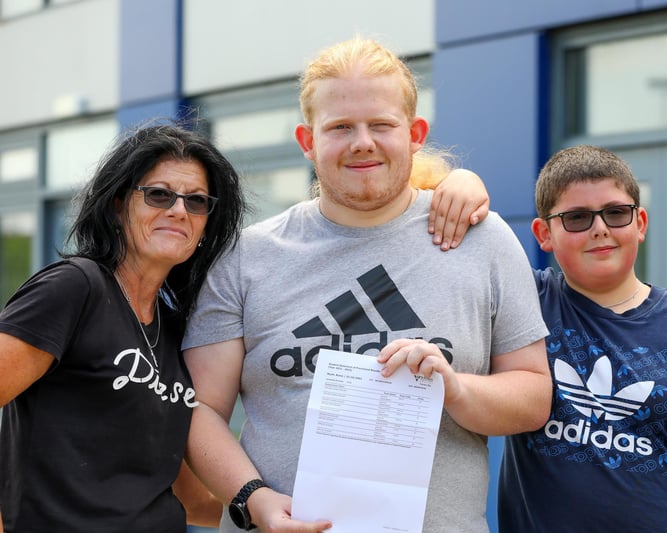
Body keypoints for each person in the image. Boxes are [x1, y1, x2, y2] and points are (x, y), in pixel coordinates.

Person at [181, 36, 552, 533]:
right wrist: (253, 499)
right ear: (307, 140)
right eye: (340, 127)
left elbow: (533, 397)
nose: (362, 142)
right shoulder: (245, 257)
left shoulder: (481, 240)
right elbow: (201, 409)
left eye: (381, 124)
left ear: (415, 132)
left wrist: (455, 388)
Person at [493, 145, 667, 532]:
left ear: (640, 223)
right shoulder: (526, 303)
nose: (600, 228)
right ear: (544, 233)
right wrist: (463, 183)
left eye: (616, 213)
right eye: (576, 217)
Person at [0, 122, 248, 531]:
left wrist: (268, 509)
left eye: (197, 201)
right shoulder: (74, 289)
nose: (179, 210)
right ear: (117, 204)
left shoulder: (175, 329)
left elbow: (180, 493)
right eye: (158, 194)